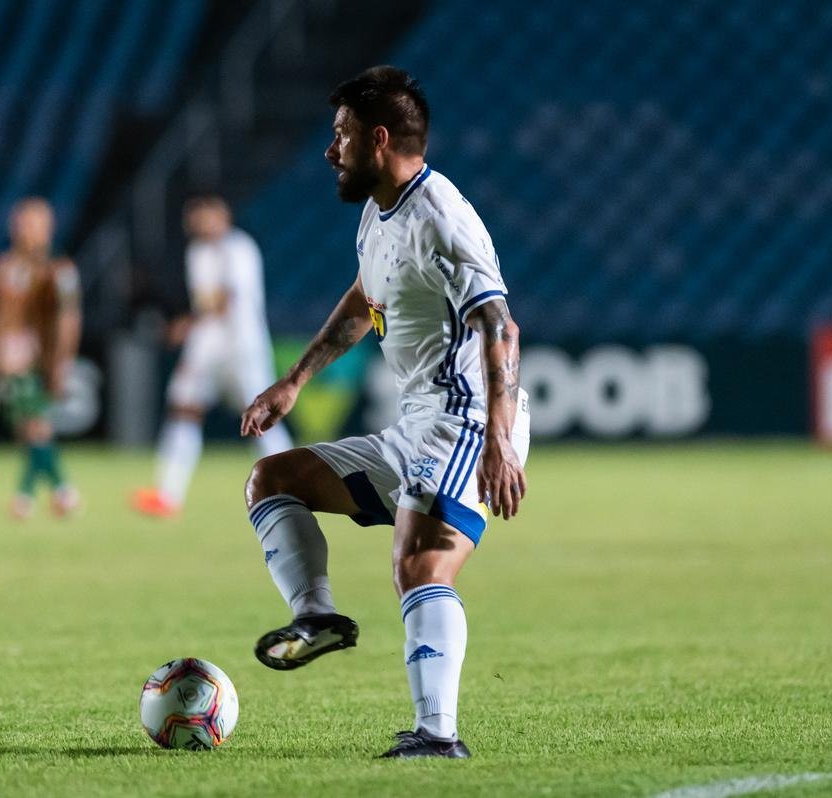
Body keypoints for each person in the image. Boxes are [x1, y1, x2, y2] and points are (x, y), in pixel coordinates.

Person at [239, 66, 531, 759]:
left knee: (420, 565)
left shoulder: (444, 220)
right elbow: (364, 299)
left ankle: (438, 735)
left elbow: (501, 327)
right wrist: (295, 380)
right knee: (271, 480)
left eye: (339, 135)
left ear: (378, 139)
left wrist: (498, 440)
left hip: (466, 418)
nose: (328, 150)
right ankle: (316, 617)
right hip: (416, 423)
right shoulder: (380, 210)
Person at [132, 195, 292, 517]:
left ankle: (294, 485)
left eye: (204, 215)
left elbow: (227, 298)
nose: (197, 222)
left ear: (222, 215)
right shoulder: (197, 252)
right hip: (208, 348)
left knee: (263, 420)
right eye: (193, 217)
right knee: (183, 410)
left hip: (242, 349)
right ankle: (167, 494)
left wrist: (186, 325)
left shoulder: (239, 248)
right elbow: (208, 302)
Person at [0, 198, 81, 520]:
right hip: (9, 359)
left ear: (47, 228)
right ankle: (59, 493)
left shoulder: (59, 269)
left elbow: (68, 318)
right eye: (20, 222)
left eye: (32, 223)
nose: (24, 230)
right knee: (27, 431)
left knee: (36, 428)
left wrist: (61, 363)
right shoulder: (5, 265)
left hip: (38, 359)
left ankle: (29, 497)